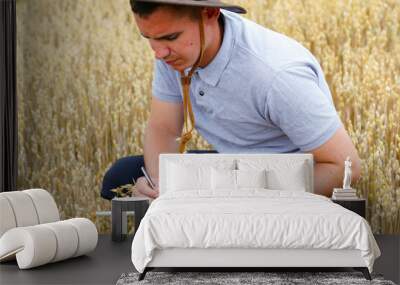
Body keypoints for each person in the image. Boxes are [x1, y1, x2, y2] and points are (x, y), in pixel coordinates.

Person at [101, 0, 361, 200]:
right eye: (149, 38)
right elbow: (164, 128)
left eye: (170, 37)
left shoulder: (277, 75)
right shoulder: (174, 54)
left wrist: (243, 191)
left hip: (281, 177)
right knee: (122, 176)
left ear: (211, 12)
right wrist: (160, 185)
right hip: (232, 166)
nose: (159, 53)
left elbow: (344, 167)